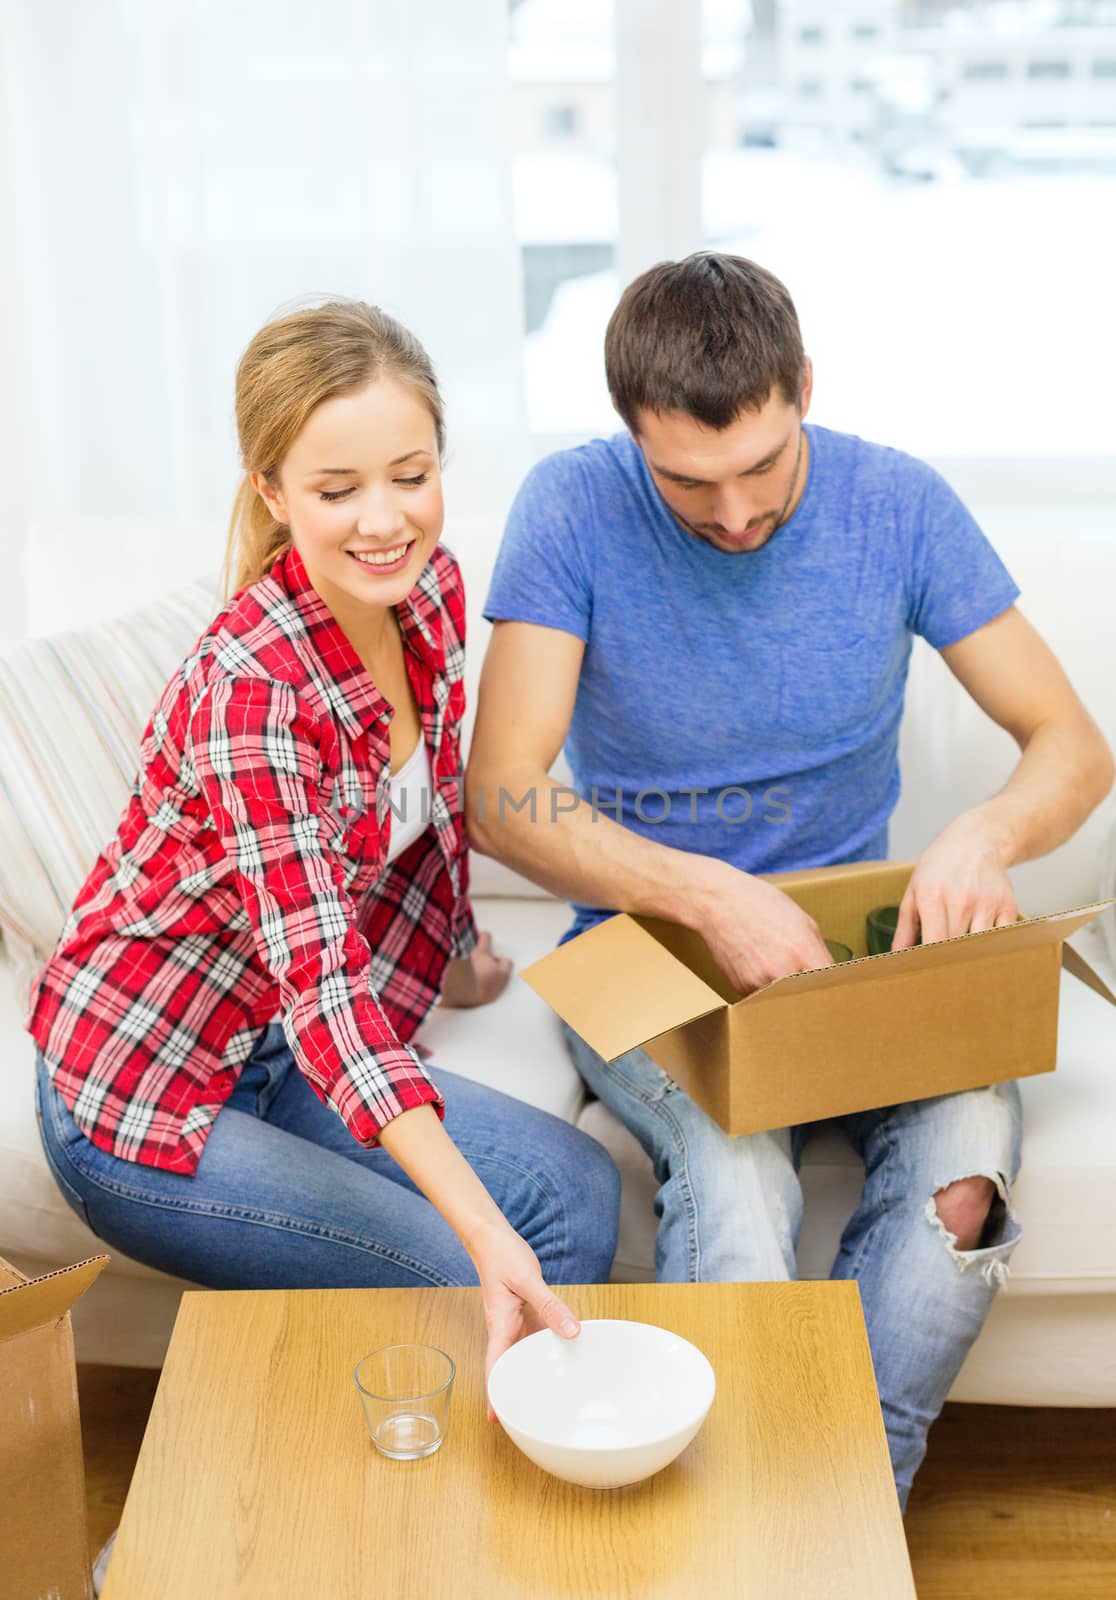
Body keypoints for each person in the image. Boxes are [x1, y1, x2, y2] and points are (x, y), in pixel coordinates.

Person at [466, 253, 1114, 1504]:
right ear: (629, 435)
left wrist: (980, 837)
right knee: (738, 1180)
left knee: (970, 1158)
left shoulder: (898, 505)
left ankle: (835, 1524)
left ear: (803, 386)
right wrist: (708, 895)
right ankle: (747, 1534)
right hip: (650, 956)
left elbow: (1073, 747)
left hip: (861, 957)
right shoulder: (570, 507)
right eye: (687, 482)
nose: (734, 515)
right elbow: (502, 792)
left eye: (761, 465)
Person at [28, 299, 620, 1384]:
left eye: (411, 474)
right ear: (272, 492)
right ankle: (374, 1525)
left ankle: (518, 1475)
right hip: (149, 1085)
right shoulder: (250, 690)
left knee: (578, 1192)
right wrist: (485, 1236)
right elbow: (326, 996)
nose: (384, 520)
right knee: (462, 1269)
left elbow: (430, 812)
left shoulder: (429, 593)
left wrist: (460, 958)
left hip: (281, 1046)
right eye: (336, 491)